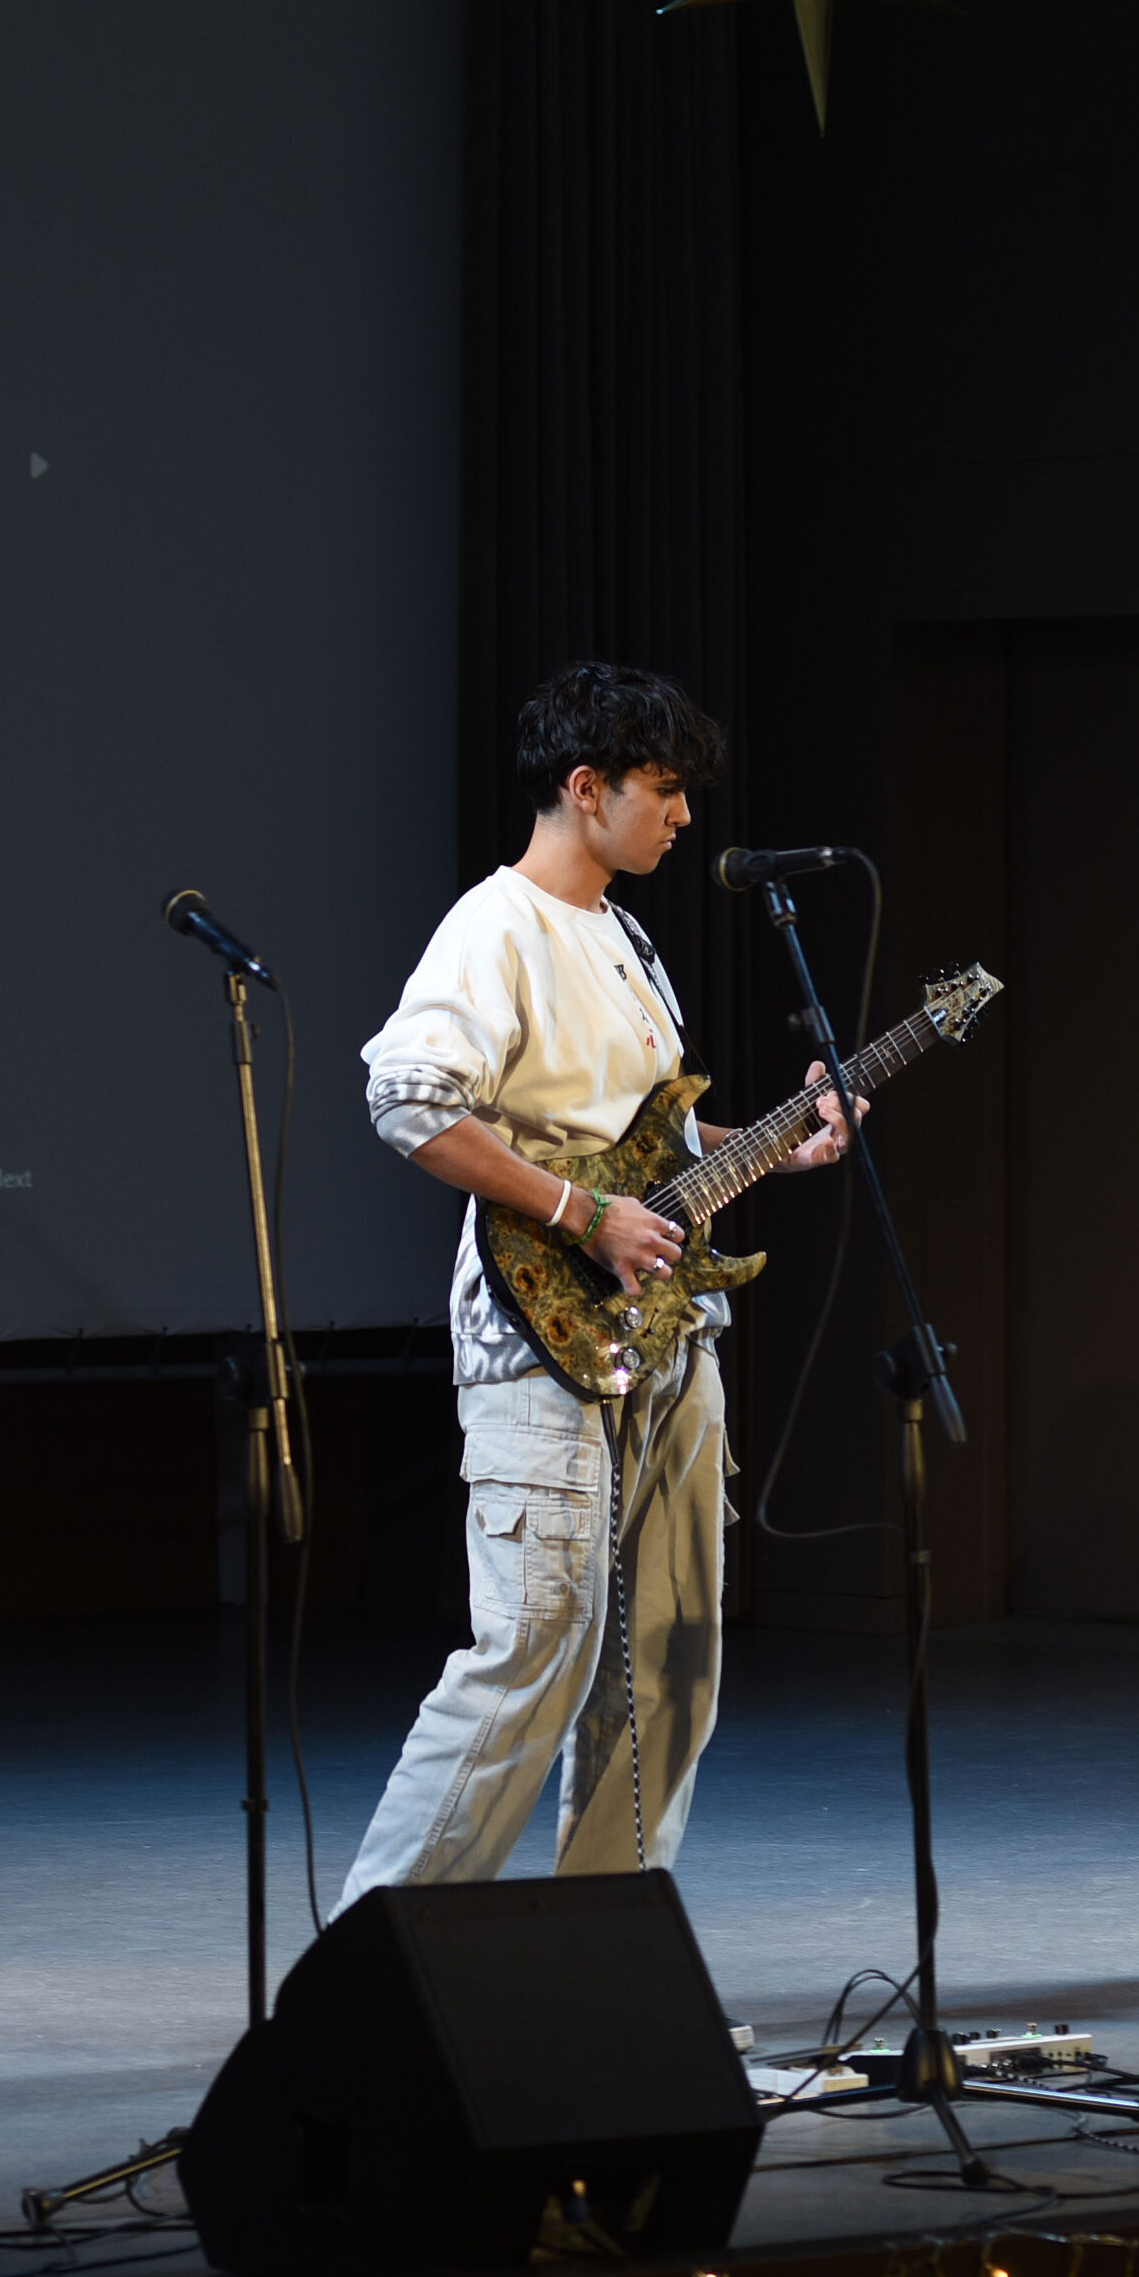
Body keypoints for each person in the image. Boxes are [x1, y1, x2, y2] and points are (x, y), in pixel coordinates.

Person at [334, 661, 856, 1914]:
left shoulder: (626, 938)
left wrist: (780, 1139)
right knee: (535, 1648)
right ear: (584, 786)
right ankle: (376, 1953)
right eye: (662, 788)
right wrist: (580, 1214)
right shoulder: (495, 927)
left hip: (663, 1332)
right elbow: (406, 1099)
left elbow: (648, 1147)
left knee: (670, 1657)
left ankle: (603, 1944)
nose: (683, 816)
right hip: (539, 1335)